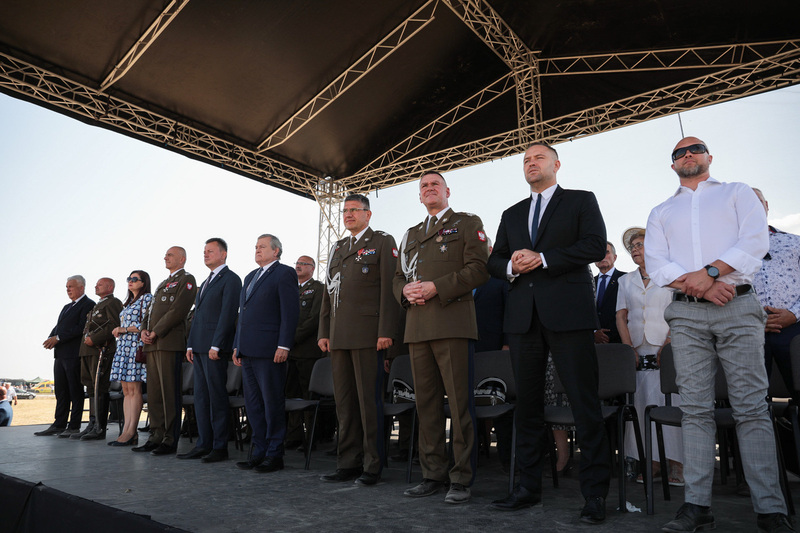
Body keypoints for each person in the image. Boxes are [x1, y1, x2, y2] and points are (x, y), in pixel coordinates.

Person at [645, 137, 792, 533]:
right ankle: (696, 506)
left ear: (710, 157)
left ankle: (770, 508)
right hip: (688, 315)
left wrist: (710, 273)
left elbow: (754, 242)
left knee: (751, 407)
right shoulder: (661, 210)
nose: (687, 154)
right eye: (678, 153)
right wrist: (706, 285)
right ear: (672, 164)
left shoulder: (737, 192)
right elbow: (657, 264)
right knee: (694, 409)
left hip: (739, 306)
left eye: (695, 149)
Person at [486, 142, 610, 523]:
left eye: (538, 157)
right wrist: (511, 266)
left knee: (584, 404)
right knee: (527, 406)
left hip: (568, 315)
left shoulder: (580, 200)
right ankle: (526, 488)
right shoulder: (512, 212)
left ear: (556, 164)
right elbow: (494, 260)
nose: (531, 163)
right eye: (525, 160)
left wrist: (543, 258)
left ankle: (594, 496)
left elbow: (593, 245)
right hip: (523, 319)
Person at [393, 171, 489, 504]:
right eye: (423, 186)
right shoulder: (409, 235)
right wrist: (405, 291)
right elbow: (397, 278)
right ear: (419, 196)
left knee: (460, 405)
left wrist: (438, 287)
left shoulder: (465, 223)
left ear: (447, 191)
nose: (429, 189)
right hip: (417, 327)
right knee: (427, 405)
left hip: (452, 324)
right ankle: (432, 474)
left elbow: (479, 268)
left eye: (435, 184)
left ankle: (461, 478)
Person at [319, 194, 400, 486]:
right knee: (345, 404)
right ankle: (348, 463)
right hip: (339, 336)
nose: (348, 215)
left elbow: (390, 290)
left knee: (369, 402)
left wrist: (385, 330)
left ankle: (372, 465)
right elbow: (330, 291)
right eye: (345, 211)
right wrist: (324, 331)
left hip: (368, 335)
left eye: (355, 210)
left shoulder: (382, 242)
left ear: (368, 214)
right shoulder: (339, 248)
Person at [615, 227, 683, 485]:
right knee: (642, 403)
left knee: (672, 402)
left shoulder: (669, 275)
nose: (635, 249)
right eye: (632, 247)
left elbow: (678, 310)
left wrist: (668, 343)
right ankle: (652, 462)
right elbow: (621, 316)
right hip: (637, 350)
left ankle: (678, 464)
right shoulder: (625, 281)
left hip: (666, 348)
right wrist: (627, 347)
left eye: (640, 244)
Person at [233, 234, 299, 473]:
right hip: (248, 350)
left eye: (262, 247)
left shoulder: (284, 273)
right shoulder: (250, 276)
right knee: (253, 405)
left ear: (276, 251)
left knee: (271, 403)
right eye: (256, 247)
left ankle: (274, 454)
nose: (257, 250)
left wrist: (284, 345)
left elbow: (290, 313)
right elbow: (243, 315)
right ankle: (258, 451)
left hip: (270, 351)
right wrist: (237, 345)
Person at [181, 238, 241, 463]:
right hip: (198, 348)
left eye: (211, 251)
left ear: (223, 254)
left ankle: (219, 446)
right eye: (204, 251)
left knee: (216, 398)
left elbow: (227, 315)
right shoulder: (206, 281)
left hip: (215, 348)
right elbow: (197, 317)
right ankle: (203, 443)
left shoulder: (231, 279)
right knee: (201, 398)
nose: (205, 254)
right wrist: (190, 344)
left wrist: (217, 344)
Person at [136, 247, 197, 455]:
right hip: (152, 344)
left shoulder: (186, 280)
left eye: (170, 255)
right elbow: (150, 311)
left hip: (168, 343)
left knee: (169, 392)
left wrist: (156, 331)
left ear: (182, 259)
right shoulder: (163, 283)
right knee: (154, 394)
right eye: (165, 255)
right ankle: (156, 435)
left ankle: (170, 439)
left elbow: (178, 310)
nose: (165, 257)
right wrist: (144, 329)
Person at [752, 188, 800, 395]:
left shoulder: (795, 242)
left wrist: (794, 314)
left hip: (794, 330)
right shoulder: (727, 252)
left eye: (757, 202)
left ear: (767, 205)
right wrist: (753, 319)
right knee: (752, 402)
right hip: (751, 333)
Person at [36, 275, 96, 437]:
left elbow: (81, 328)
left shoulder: (89, 304)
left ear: (81, 287)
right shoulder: (66, 307)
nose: (68, 289)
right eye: (66, 287)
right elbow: (59, 326)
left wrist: (59, 338)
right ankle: (59, 424)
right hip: (60, 355)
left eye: (71, 286)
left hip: (74, 354)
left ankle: (74, 425)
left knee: (74, 390)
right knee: (61, 391)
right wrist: (51, 337)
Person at [75, 277, 122, 441]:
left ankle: (100, 428)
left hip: (101, 350)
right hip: (88, 351)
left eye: (100, 284)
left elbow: (114, 325)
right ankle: (92, 424)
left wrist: (95, 339)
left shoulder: (113, 302)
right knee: (90, 388)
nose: (96, 286)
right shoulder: (98, 304)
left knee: (99, 388)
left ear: (110, 287)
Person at [109, 271, 153, 446]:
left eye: (135, 279)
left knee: (135, 390)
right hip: (123, 349)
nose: (130, 281)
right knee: (126, 391)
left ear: (143, 283)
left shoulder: (147, 298)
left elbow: (147, 324)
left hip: (135, 347)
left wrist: (123, 330)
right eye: (129, 279)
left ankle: (131, 431)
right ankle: (127, 430)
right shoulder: (128, 302)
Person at [285, 255, 324, 450]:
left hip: (308, 351)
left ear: (313, 268)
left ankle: (311, 438)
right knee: (291, 395)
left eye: (303, 264)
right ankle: (293, 436)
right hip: (288, 352)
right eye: (297, 263)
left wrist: (291, 339)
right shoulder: (290, 288)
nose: (299, 266)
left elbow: (314, 319)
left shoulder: (318, 289)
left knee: (309, 396)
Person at [594, 242, 625, 344]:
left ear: (615, 257)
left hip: (620, 341)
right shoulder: (589, 283)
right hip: (594, 343)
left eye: (606, 252)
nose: (602, 256)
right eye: (598, 253)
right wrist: (594, 332)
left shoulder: (625, 279)